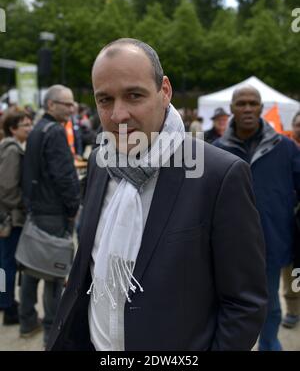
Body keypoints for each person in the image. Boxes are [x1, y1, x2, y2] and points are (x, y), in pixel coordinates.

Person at [47, 38, 267, 351]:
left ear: (165, 91)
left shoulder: (219, 175)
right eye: (105, 100)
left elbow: (244, 304)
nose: (119, 115)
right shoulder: (100, 160)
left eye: (134, 95)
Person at [214, 85, 300, 351]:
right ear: (231, 109)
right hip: (229, 246)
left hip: (272, 241)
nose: (248, 108)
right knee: (229, 304)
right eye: (242, 103)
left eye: (253, 103)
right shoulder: (216, 150)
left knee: (271, 304)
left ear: (262, 108)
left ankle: (270, 343)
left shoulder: (286, 148)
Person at [20, 85, 80, 345]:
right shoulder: (54, 131)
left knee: (32, 268)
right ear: (51, 105)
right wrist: (73, 207)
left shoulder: (37, 129)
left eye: (72, 104)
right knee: (55, 275)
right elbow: (64, 176)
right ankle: (52, 334)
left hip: (37, 208)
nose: (72, 108)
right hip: (53, 211)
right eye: (67, 104)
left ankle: (27, 320)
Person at [0, 110, 32, 325]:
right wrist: (23, 205)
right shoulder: (11, 150)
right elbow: (7, 188)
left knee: (5, 262)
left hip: (7, 217)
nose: (29, 128)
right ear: (13, 128)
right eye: (25, 125)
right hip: (11, 219)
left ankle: (5, 300)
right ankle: (8, 306)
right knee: (8, 263)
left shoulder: (8, 147)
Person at [281, 112, 300, 328]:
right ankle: (293, 309)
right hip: (289, 222)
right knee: (292, 271)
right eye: (298, 125)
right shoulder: (284, 149)